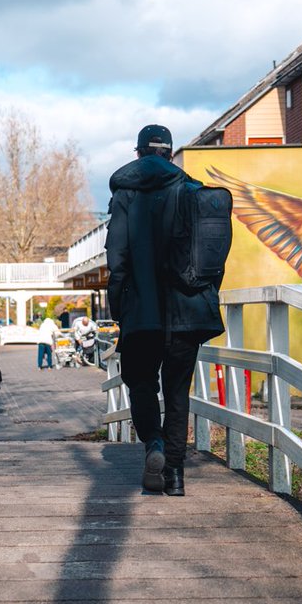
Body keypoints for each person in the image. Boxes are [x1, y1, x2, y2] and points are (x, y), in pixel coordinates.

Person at [105, 124, 225, 496]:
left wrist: (118, 308)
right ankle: (174, 476)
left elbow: (118, 260)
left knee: (139, 383)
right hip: (186, 313)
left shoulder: (125, 196)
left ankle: (153, 445)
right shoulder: (192, 191)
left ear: (139, 153)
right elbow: (209, 259)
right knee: (177, 393)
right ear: (170, 154)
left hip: (142, 313)